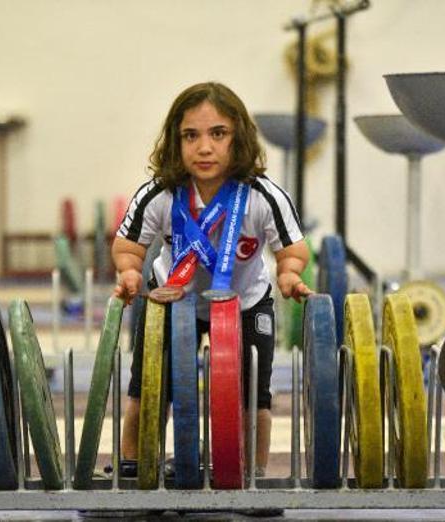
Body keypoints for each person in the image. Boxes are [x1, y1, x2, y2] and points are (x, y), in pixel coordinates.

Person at [112, 81, 312, 479]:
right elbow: (128, 246)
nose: (204, 148)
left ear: (239, 140)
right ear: (175, 142)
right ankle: (134, 465)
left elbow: (292, 251)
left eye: (218, 134)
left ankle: (250, 471)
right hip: (173, 299)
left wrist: (290, 275)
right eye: (191, 136)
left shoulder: (263, 196)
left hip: (245, 302)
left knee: (254, 394)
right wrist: (131, 273)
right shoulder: (160, 194)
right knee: (148, 386)